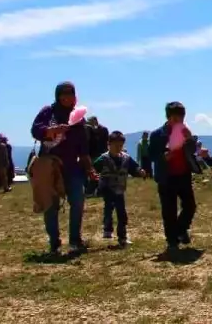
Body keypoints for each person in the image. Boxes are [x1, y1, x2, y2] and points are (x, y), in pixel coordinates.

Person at [30, 81, 96, 254]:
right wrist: (51, 130)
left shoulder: (78, 119)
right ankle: (54, 243)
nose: (67, 97)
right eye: (63, 94)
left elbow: (83, 149)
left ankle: (75, 240)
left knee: (78, 200)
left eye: (71, 94)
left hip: (71, 166)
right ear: (57, 96)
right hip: (50, 165)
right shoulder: (48, 112)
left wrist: (89, 169)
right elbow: (35, 130)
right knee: (51, 205)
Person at [148, 101, 199, 251]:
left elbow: (192, 151)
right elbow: (151, 155)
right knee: (168, 210)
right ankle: (172, 240)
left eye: (182, 118)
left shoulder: (185, 131)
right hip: (166, 176)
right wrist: (163, 157)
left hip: (183, 174)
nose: (179, 122)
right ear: (169, 117)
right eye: (176, 119)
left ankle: (181, 230)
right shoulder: (157, 135)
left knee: (190, 206)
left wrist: (190, 140)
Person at [94, 131, 144, 246]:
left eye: (120, 146)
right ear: (109, 144)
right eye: (115, 145)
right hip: (107, 189)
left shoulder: (126, 158)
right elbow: (93, 169)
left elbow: (134, 167)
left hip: (120, 189)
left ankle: (122, 237)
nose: (118, 148)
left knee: (122, 213)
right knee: (109, 208)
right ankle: (107, 229)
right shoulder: (103, 159)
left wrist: (139, 171)